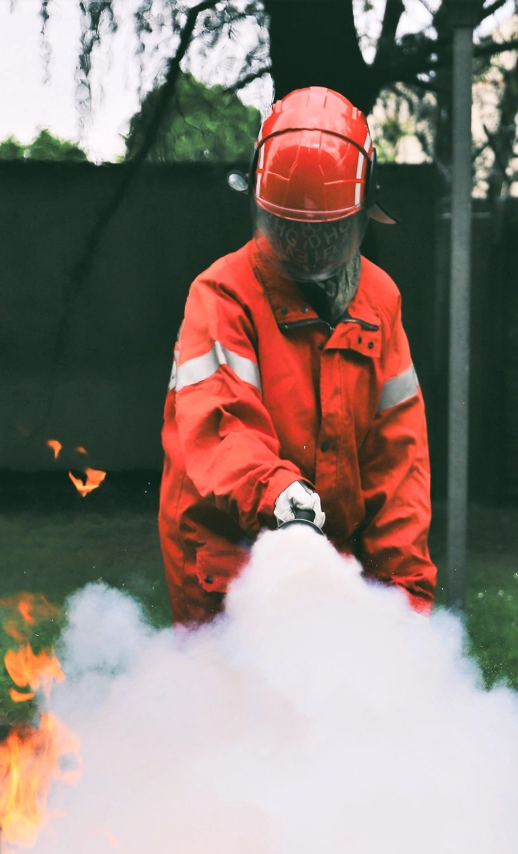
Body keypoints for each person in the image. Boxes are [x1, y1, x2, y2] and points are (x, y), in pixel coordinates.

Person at [159, 85, 436, 625]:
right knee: (232, 704)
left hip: (332, 569)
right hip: (229, 565)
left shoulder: (380, 302)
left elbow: (398, 468)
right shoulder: (222, 294)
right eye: (290, 231)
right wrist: (282, 496)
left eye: (324, 234)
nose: (306, 250)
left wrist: (407, 606)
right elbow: (221, 424)